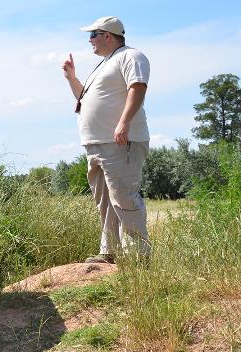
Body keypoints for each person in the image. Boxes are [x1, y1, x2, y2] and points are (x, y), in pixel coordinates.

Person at [62, 16, 151, 264]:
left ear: (108, 35)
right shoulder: (104, 64)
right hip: (96, 144)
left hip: (121, 141)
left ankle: (138, 257)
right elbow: (85, 98)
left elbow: (138, 87)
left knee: (124, 198)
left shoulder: (130, 56)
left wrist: (124, 123)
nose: (90, 40)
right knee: (105, 201)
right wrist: (72, 78)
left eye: (93, 35)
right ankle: (110, 252)